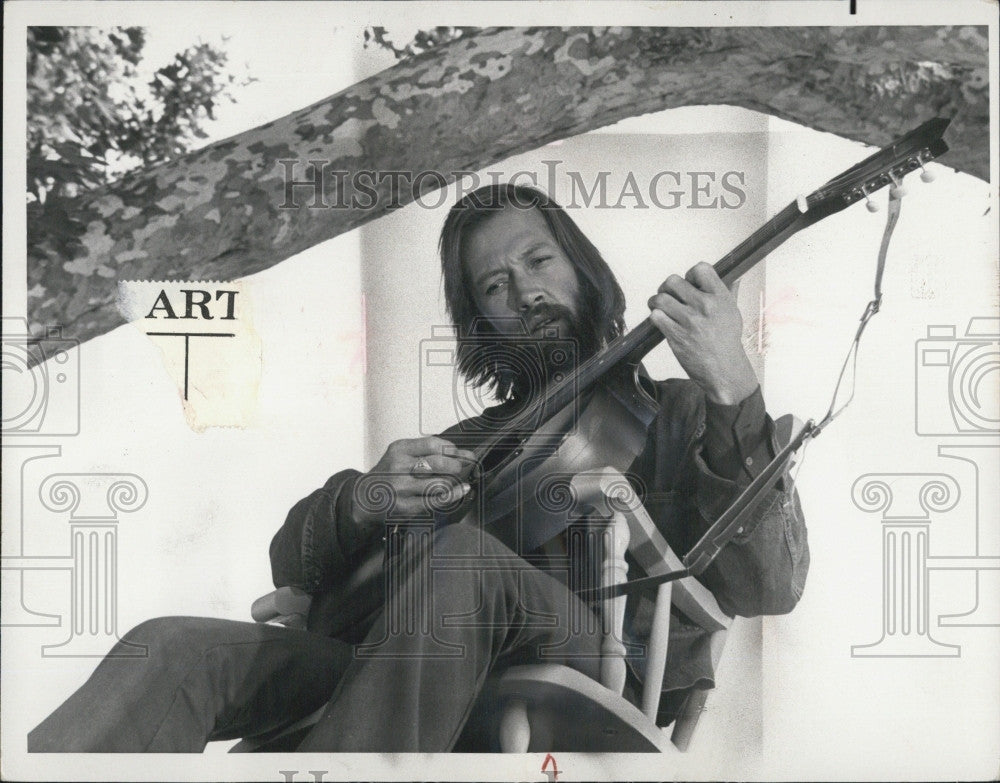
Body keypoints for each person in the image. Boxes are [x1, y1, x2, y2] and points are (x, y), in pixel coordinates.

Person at [28, 183, 808, 753]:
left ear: (583, 268)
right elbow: (292, 556)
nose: (524, 292)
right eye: (494, 287)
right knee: (170, 647)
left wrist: (733, 386)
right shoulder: (470, 439)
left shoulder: (675, 408)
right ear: (479, 320)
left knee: (464, 558)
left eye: (539, 260)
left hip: (593, 657)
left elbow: (770, 585)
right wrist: (362, 499)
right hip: (404, 666)